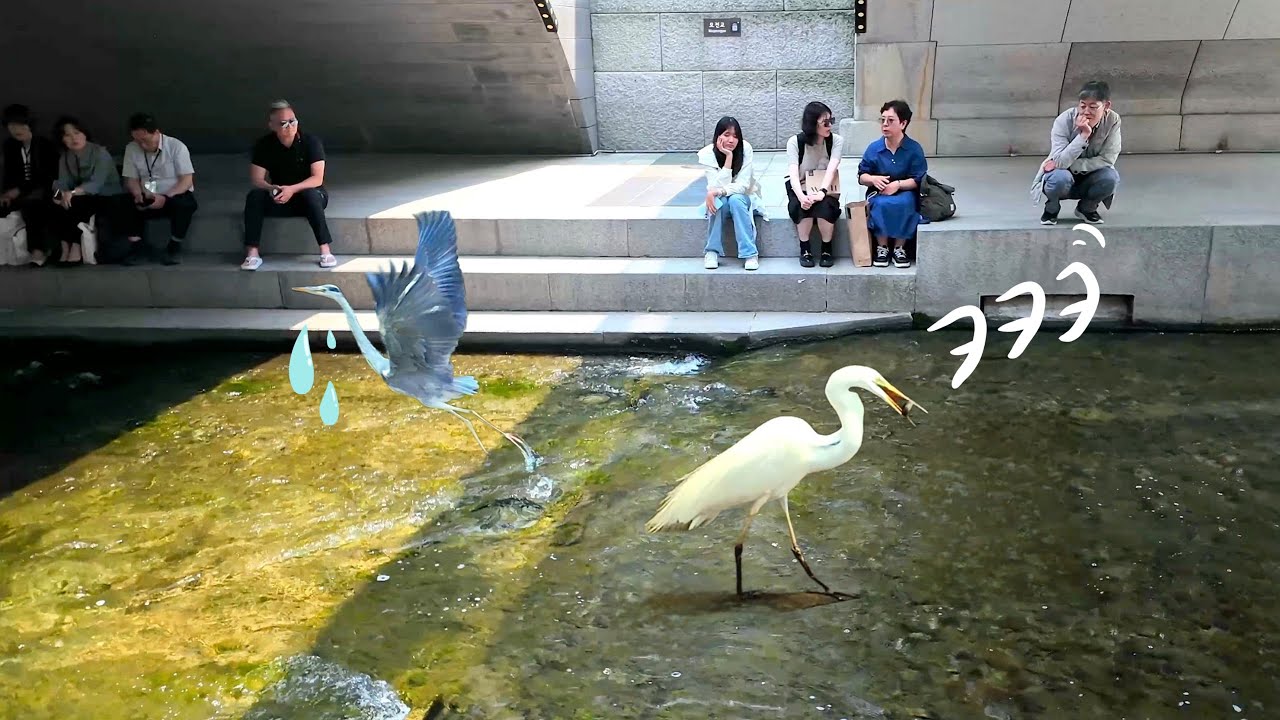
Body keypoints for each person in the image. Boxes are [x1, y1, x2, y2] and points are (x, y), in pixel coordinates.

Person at [241, 100, 335, 270]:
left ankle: (325, 251)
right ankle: (252, 254)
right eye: (283, 123)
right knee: (254, 197)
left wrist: (292, 189)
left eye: (293, 121)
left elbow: (317, 179)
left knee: (310, 194)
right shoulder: (264, 145)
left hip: (309, 196)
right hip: (280, 195)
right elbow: (257, 179)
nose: (289, 126)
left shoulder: (311, 142)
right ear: (272, 126)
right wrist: (273, 189)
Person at [1030, 80, 1121, 225]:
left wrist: (1074, 165)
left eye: (1093, 107)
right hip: (1062, 174)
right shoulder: (1063, 120)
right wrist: (1083, 135)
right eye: (1082, 105)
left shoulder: (1113, 120)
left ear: (1106, 106)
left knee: (1110, 178)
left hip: (1091, 174)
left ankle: (1087, 208)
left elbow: (1108, 159)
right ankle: (1051, 209)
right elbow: (1059, 161)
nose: (1086, 111)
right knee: (1058, 178)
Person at [118, 112, 198, 265]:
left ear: (156, 132)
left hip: (172, 195)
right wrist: (137, 194)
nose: (141, 145)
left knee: (186, 204)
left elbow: (186, 180)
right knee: (121, 202)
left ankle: (174, 247)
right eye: (137, 140)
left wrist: (166, 197)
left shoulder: (176, 146)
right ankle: (137, 247)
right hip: (146, 194)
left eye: (145, 140)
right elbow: (131, 179)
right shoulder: (131, 148)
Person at [857, 99, 928, 269]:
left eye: (890, 121)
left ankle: (899, 248)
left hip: (905, 191)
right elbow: (861, 176)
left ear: (903, 123)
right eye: (882, 120)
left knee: (906, 203)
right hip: (879, 192)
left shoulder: (914, 148)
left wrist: (897, 185)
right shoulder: (874, 148)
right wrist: (873, 179)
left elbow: (919, 179)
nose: (885, 125)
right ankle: (882, 247)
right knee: (880, 204)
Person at [49, 116, 122, 266]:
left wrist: (72, 193)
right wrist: (58, 196)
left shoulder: (99, 153)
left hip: (106, 195)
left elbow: (96, 184)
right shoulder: (65, 157)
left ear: (85, 133)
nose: (73, 138)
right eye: (67, 135)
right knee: (56, 204)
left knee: (77, 203)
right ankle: (65, 247)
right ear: (62, 139)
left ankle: (76, 247)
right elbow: (62, 182)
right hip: (80, 194)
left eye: (76, 133)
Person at [698, 116, 764, 271]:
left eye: (735, 136)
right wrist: (728, 158)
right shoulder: (707, 154)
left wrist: (718, 191)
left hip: (744, 197)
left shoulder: (745, 148)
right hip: (721, 198)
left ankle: (750, 253)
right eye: (726, 135)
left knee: (734, 199)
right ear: (718, 136)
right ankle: (712, 252)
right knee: (720, 202)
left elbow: (742, 186)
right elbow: (715, 186)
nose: (731, 140)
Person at [785, 101, 843, 268]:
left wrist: (822, 192)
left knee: (825, 206)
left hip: (826, 187)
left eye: (831, 120)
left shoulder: (836, 141)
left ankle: (826, 248)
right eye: (825, 122)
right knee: (803, 207)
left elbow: (832, 169)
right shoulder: (795, 142)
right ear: (812, 123)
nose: (830, 125)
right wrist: (802, 196)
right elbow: (793, 174)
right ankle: (805, 249)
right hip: (801, 186)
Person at [0, 104, 59, 267]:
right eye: (12, 126)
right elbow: (9, 175)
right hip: (20, 194)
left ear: (29, 124)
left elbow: (48, 177)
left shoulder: (45, 145)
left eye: (20, 124)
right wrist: (5, 193)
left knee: (33, 207)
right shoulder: (9, 146)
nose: (16, 129)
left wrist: (19, 190)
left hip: (47, 191)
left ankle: (38, 251)